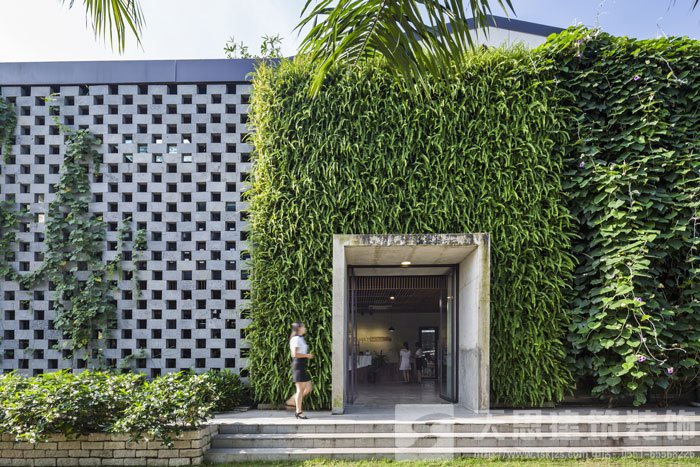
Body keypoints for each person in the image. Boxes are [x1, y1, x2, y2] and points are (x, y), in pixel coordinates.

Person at [285, 322, 314, 419]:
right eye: (303, 326)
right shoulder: (296, 339)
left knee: (308, 387)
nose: (305, 328)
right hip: (298, 365)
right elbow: (294, 354)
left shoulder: (300, 338)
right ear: (299, 328)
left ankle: (292, 400)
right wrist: (307, 355)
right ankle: (298, 412)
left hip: (302, 365)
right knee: (300, 390)